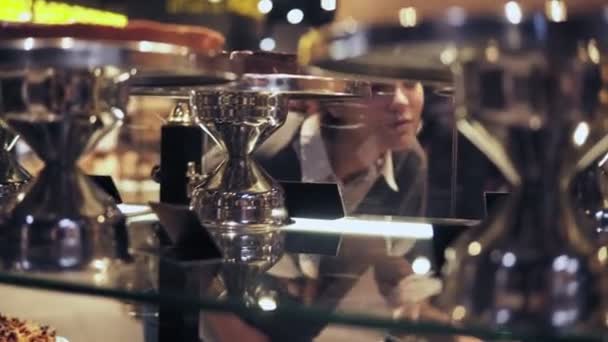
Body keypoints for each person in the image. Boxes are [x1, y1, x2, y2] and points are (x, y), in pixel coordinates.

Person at [258, 80, 427, 216]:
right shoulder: (266, 158)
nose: (401, 101)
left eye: (410, 83)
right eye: (378, 88)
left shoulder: (410, 163)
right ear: (335, 102)